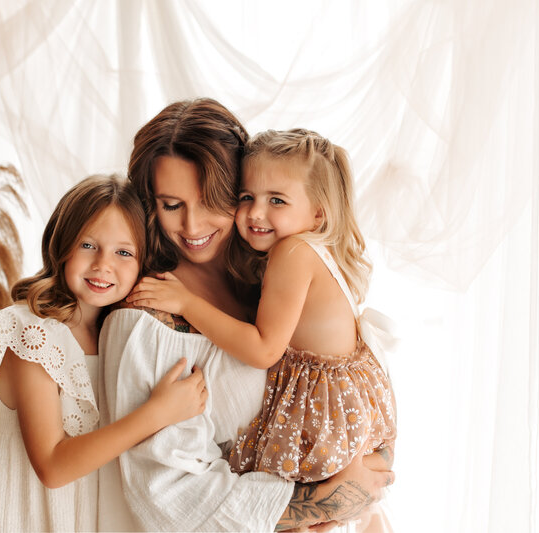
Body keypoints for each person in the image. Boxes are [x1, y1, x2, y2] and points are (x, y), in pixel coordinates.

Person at [98, 99, 394, 532]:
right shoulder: (149, 318)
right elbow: (168, 495)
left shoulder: (271, 279)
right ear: (149, 206)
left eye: (212, 200)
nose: (193, 226)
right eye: (172, 204)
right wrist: (325, 501)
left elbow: (356, 390)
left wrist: (371, 469)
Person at [0, 175, 208, 533]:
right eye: (88, 245)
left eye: (123, 252)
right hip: (25, 519)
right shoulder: (32, 332)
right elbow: (52, 467)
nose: (103, 264)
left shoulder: (116, 338)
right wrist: (158, 412)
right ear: (62, 245)